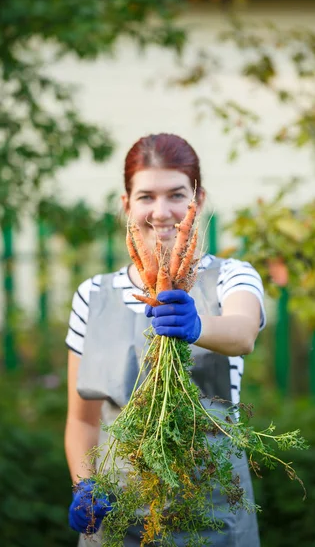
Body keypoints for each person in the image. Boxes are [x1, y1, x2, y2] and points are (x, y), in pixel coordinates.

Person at [64, 133, 266, 546]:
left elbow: (243, 331)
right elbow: (82, 419)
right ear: (126, 204)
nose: (161, 212)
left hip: (211, 521)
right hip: (117, 521)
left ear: (199, 199)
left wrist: (198, 326)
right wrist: (84, 485)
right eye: (145, 197)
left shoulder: (231, 277)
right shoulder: (93, 294)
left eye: (176, 195)